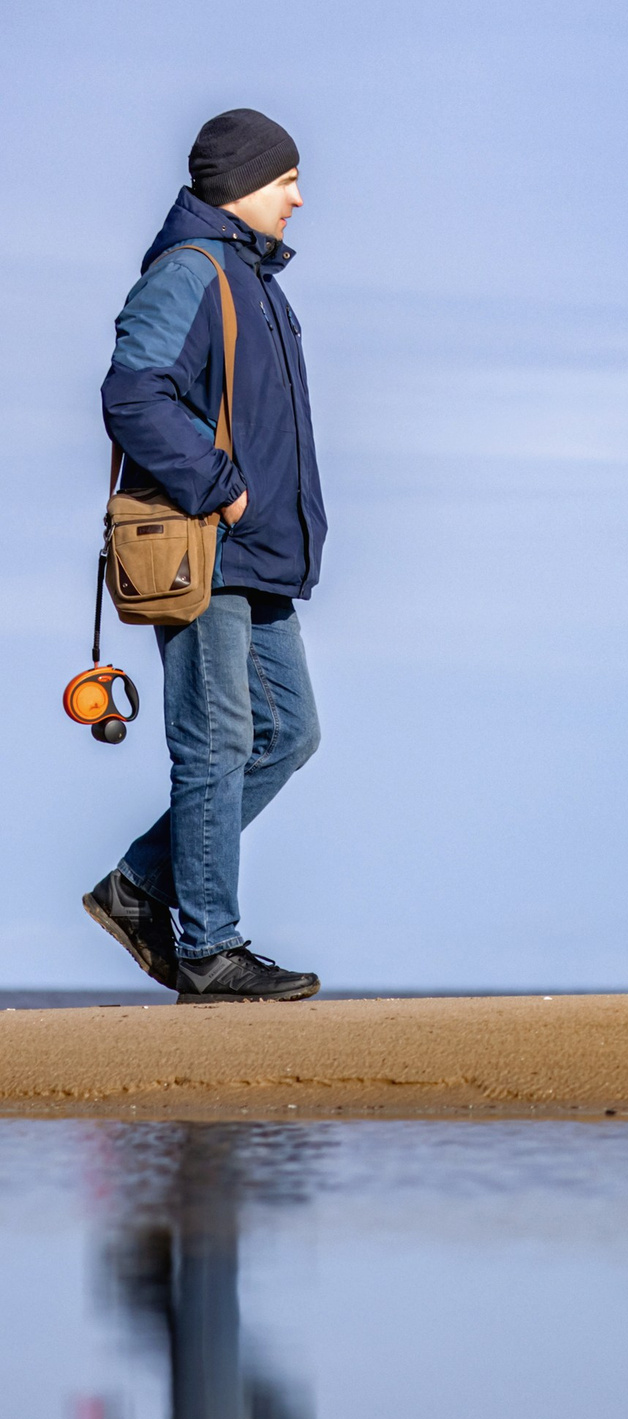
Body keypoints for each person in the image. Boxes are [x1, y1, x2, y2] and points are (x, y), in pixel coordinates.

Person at [85, 109, 327, 1003]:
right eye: (285, 181)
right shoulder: (192, 271)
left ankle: (142, 885)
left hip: (256, 553)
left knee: (288, 735)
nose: (299, 197)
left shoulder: (253, 277)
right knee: (215, 742)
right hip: (203, 545)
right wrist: (217, 483)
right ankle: (209, 950)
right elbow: (132, 392)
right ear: (240, 185)